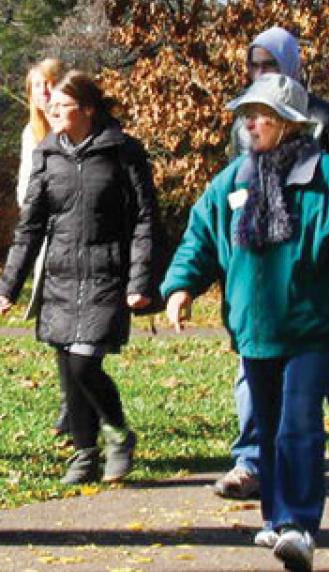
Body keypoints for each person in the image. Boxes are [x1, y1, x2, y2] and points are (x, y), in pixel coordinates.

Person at [161, 73, 329, 571]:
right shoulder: (234, 179)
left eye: (262, 115)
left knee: (298, 426)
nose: (250, 123)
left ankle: (299, 524)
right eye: (247, 114)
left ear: (291, 124)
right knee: (268, 428)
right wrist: (182, 286)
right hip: (255, 329)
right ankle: (274, 518)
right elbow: (201, 237)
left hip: (312, 330)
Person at [216, 26, 329, 501]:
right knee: (252, 366)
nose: (260, 72)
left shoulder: (323, 118)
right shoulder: (243, 121)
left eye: (269, 63)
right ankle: (251, 461)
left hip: (312, 267)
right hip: (258, 258)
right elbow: (231, 189)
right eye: (254, 64)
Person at [0, 70, 159, 485]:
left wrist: (140, 280)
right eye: (50, 106)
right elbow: (30, 226)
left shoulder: (123, 151)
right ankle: (85, 454)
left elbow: (145, 219)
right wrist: (8, 288)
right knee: (69, 368)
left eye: (63, 105)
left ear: (87, 109)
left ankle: (119, 433)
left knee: (86, 363)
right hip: (61, 278)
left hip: (108, 274)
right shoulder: (47, 155)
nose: (53, 111)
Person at [16, 57, 68, 435]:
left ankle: (75, 404)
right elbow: (24, 192)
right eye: (39, 87)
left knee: (78, 332)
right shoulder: (30, 136)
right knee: (55, 328)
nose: (45, 92)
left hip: (76, 239)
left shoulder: (77, 128)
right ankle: (72, 402)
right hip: (46, 242)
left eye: (51, 84)